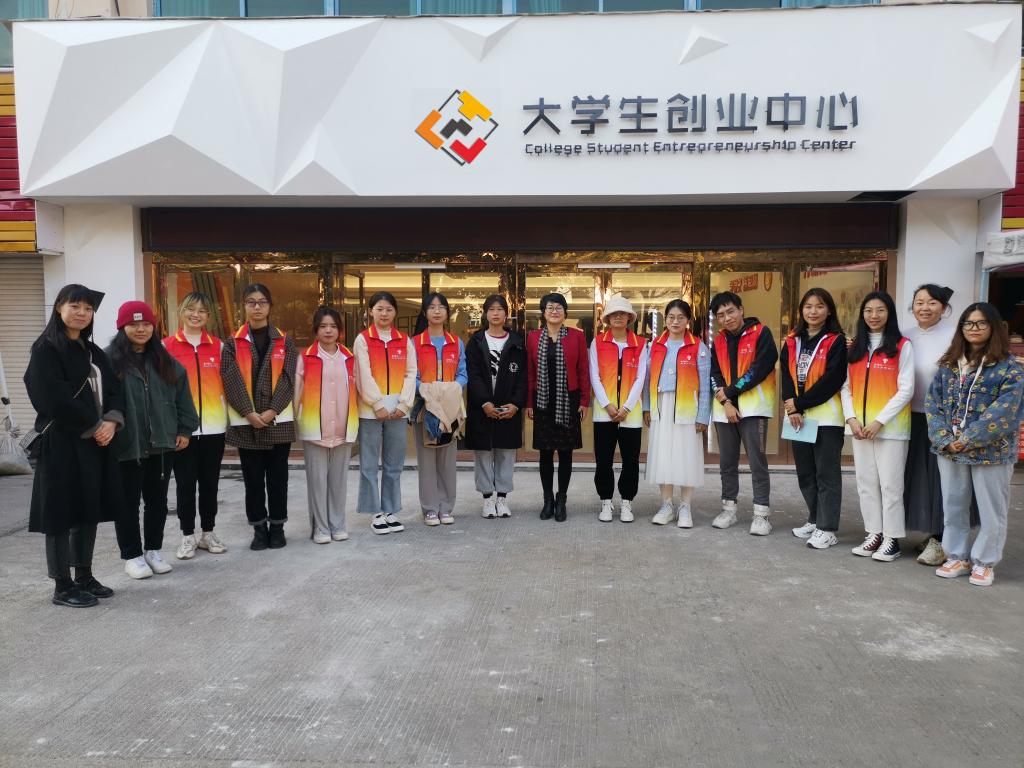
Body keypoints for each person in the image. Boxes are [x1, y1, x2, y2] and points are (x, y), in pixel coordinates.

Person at [24, 284, 125, 607]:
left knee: (87, 509)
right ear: (59, 307)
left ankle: (84, 575)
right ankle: (62, 585)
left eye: (88, 308)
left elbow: (114, 392)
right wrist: (93, 425)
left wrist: (111, 422)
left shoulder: (94, 352)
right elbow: (51, 397)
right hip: (62, 442)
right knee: (60, 512)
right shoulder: (46, 350)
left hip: (96, 442)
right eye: (75, 306)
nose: (82, 313)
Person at [927, 302, 1024, 587]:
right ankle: (957, 555)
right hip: (950, 451)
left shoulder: (1009, 368)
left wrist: (968, 439)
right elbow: (933, 404)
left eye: (981, 323)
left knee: (992, 509)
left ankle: (984, 561)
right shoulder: (948, 365)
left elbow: (1005, 411)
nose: (974, 328)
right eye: (968, 323)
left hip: (992, 452)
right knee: (953, 505)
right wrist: (945, 439)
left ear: (994, 327)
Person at [109, 301, 199, 579]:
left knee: (157, 501)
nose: (141, 329)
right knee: (127, 503)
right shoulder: (109, 361)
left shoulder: (165, 361)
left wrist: (185, 429)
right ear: (122, 327)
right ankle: (132, 555)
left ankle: (153, 550)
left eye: (146, 324)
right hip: (126, 444)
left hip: (162, 443)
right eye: (134, 324)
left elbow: (183, 397)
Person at [221, 283, 297, 551]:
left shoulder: (285, 341)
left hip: (278, 422)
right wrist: (249, 412)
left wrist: (272, 410)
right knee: (253, 481)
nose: (256, 307)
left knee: (278, 479)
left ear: (270, 306)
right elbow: (230, 379)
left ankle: (277, 527)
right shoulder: (232, 342)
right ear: (243, 306)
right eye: (251, 302)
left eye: (262, 302)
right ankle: (259, 529)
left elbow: (288, 378)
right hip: (246, 424)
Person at [841, 291, 914, 562]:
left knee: (891, 485)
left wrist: (879, 421)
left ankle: (892, 538)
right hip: (859, 429)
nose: (874, 315)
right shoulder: (855, 348)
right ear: (862, 315)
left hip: (891, 429)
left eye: (880, 310)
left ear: (889, 313)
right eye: (869, 310)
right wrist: (851, 419)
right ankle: (874, 533)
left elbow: (906, 389)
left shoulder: (902, 346)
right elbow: (845, 387)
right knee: (866, 483)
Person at [163, 292, 229, 560]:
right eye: (191, 309)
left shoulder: (219, 346)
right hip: (183, 431)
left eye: (202, 311)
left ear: (208, 317)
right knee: (185, 484)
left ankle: (208, 533)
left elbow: (229, 384)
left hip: (214, 428)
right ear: (182, 311)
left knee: (210, 484)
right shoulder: (166, 346)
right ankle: (187, 536)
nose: (196, 315)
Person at [780, 288, 848, 550]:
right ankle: (815, 518)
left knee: (826, 473)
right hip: (798, 418)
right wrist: (792, 408)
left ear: (829, 310)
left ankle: (827, 528)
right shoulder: (792, 341)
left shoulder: (836, 341)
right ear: (801, 311)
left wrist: (800, 403)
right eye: (808, 306)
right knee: (806, 472)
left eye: (819, 306)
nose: (813, 311)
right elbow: (787, 377)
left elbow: (832, 380)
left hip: (827, 418)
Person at [709, 291, 778, 535]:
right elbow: (714, 374)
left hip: (754, 408)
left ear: (741, 309)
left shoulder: (761, 333)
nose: (727, 318)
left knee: (757, 462)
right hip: (724, 410)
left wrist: (729, 392)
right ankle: (728, 509)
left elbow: (759, 369)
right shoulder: (718, 341)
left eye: (730, 311)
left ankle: (761, 515)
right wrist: (726, 401)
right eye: (721, 315)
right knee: (727, 462)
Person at [903, 284, 960, 566]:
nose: (925, 308)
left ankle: (942, 539)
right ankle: (931, 533)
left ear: (943, 307)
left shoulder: (955, 337)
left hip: (942, 420)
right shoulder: (904, 336)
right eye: (919, 302)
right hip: (908, 417)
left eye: (932, 302)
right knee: (917, 478)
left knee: (941, 480)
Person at [354, 291, 417, 535]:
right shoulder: (363, 340)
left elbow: (411, 373)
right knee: (369, 463)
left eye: (389, 309)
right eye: (379, 309)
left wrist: (404, 405)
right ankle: (375, 512)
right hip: (371, 411)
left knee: (394, 463)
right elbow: (363, 373)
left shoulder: (404, 340)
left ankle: (390, 510)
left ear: (395, 312)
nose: (384, 313)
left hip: (398, 411)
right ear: (371, 311)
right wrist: (376, 403)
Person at [643, 299, 710, 528]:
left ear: (688, 320)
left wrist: (703, 415)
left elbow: (705, 386)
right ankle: (667, 505)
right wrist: (646, 407)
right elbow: (647, 380)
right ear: (665, 319)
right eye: (671, 317)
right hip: (661, 406)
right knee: (663, 456)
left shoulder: (698, 347)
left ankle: (685, 507)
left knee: (686, 456)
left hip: (687, 408)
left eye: (681, 317)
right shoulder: (655, 345)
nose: (675, 322)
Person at [295, 307, 358, 544]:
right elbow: (296, 392)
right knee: (317, 481)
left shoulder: (349, 358)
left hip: (343, 425)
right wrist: (298, 419)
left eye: (333, 326)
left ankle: (338, 524)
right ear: (316, 330)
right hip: (315, 427)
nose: (328, 330)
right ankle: (321, 528)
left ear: (339, 330)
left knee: (339, 481)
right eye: (323, 326)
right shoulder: (306, 357)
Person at [526, 293, 589, 522]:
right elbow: (530, 372)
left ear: (565, 312)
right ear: (543, 312)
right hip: (543, 400)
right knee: (545, 453)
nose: (554, 311)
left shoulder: (576, 336)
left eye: (559, 307)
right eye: (550, 307)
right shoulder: (533, 337)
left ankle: (561, 499)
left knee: (565, 453)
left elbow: (583, 370)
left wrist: (584, 401)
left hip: (568, 400)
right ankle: (547, 500)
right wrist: (529, 403)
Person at [465, 294, 527, 519]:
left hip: (509, 409)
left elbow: (523, 377)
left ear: (506, 314)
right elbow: (473, 375)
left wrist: (516, 404)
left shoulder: (517, 342)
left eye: (500, 309)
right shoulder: (476, 342)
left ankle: (502, 498)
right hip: (482, 409)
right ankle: (487, 500)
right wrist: (485, 402)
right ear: (485, 313)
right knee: (483, 455)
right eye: (491, 309)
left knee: (506, 454)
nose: (496, 313)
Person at [589, 295, 649, 523]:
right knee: (603, 459)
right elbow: (594, 376)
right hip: (603, 412)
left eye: (623, 313)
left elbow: (641, 377)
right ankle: (606, 500)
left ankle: (626, 502)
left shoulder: (640, 344)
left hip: (630, 414)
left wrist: (626, 407)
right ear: (607, 318)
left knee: (630, 460)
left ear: (630, 318)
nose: (618, 317)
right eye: (614, 314)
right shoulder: (597, 342)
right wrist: (607, 405)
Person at [412, 292, 468, 526]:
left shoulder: (456, 343)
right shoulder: (414, 343)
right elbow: (411, 376)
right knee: (427, 461)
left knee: (447, 461)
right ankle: (430, 508)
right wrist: (430, 392)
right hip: (424, 409)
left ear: (447, 312)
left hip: (450, 409)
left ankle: (446, 507)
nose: (437, 311)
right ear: (425, 312)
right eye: (432, 307)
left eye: (441, 307)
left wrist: (449, 390)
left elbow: (463, 374)